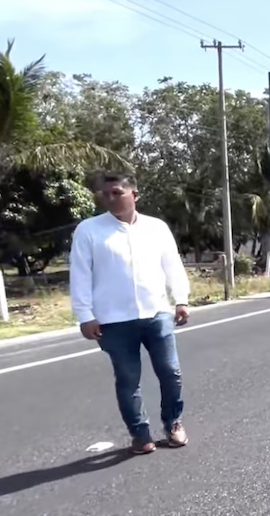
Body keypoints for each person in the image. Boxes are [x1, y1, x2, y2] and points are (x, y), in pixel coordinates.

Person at [70, 173, 192, 455]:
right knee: (128, 380)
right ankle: (140, 434)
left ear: (134, 195)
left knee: (170, 372)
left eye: (116, 193)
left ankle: (173, 423)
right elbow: (80, 275)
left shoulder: (156, 227)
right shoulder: (89, 230)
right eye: (105, 194)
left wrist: (181, 300)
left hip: (157, 313)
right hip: (113, 321)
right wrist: (85, 315)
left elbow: (172, 265)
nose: (110, 199)